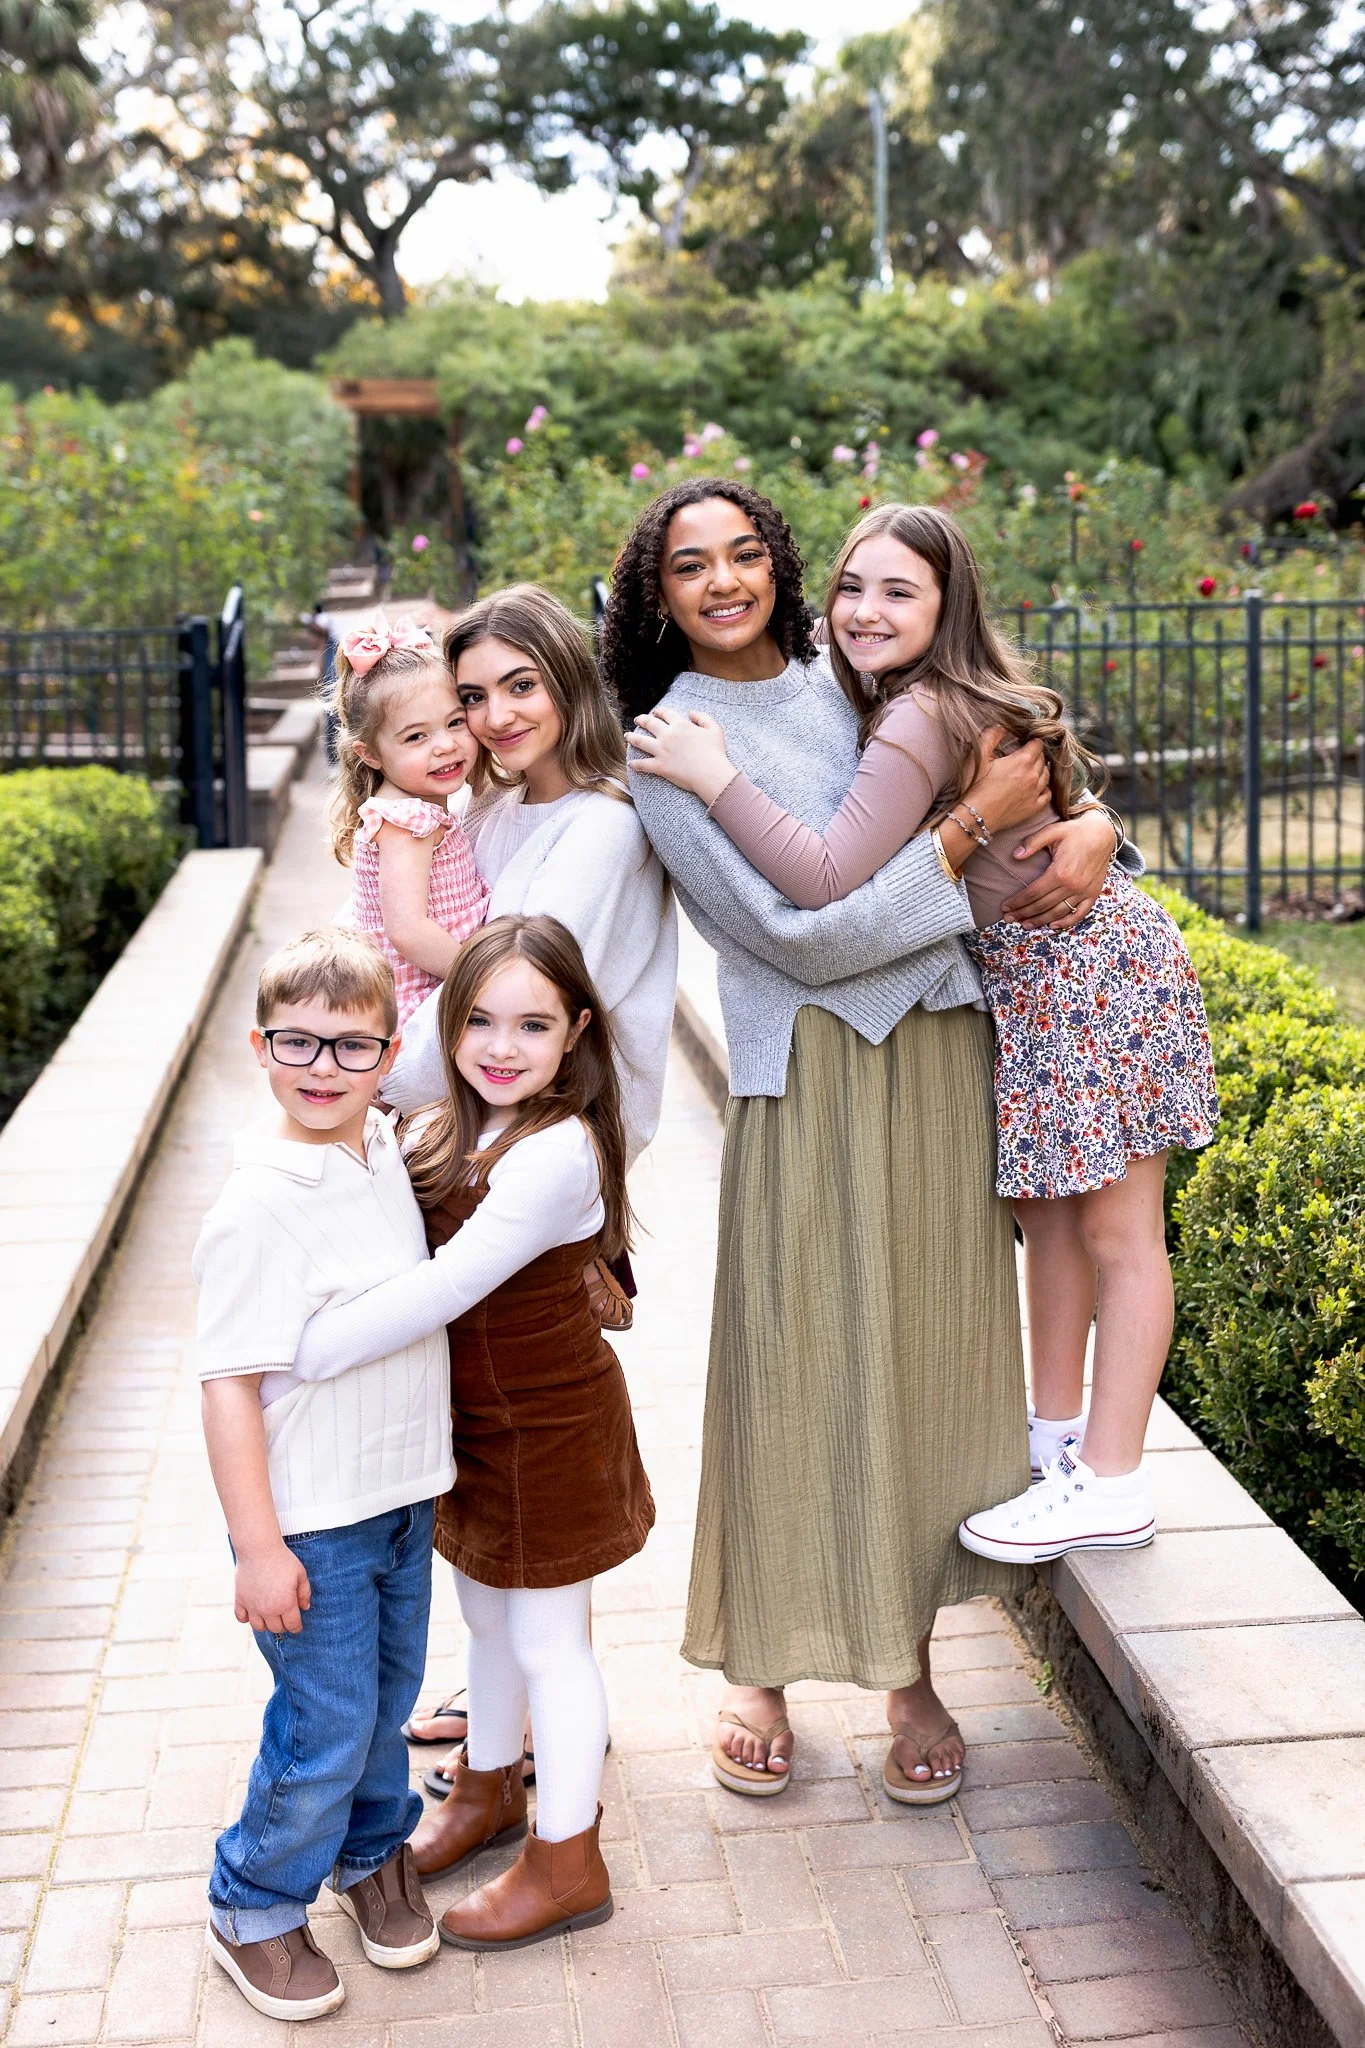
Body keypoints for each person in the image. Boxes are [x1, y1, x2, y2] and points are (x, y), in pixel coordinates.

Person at [607, 476, 1140, 1804]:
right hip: (811, 1071)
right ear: (657, 592)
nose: (722, 581)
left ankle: (905, 1666)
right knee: (793, 1362)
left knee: (916, 1364)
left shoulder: (853, 676)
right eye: (690, 565)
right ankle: (760, 1667)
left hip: (942, 1052)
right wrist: (957, 855)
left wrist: (1089, 822)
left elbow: (1011, 773)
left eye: (744, 554)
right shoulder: (672, 744)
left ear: (783, 568)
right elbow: (804, 936)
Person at [631, 502, 1218, 1565]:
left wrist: (717, 780)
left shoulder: (917, 714)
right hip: (1031, 972)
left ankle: (1116, 1476)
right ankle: (1052, 1443)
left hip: (1083, 964)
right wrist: (1083, 824)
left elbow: (819, 875)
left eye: (899, 590)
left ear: (949, 606)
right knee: (1047, 1223)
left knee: (1120, 1232)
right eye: (852, 586)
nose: (863, 610)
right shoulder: (869, 686)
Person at [287, 915, 655, 1949]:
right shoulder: (454, 1121)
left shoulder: (554, 1152)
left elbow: (444, 1286)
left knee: (550, 1642)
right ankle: (488, 1789)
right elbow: (349, 1087)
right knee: (487, 1627)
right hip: (476, 1428)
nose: (501, 1045)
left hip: (548, 1428)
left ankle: (568, 1856)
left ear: (575, 1031)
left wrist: (308, 1347)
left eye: (533, 1024)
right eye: (480, 1019)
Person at [385, 584, 677, 1765]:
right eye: (471, 695)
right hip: (490, 1140)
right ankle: (509, 1690)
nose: (496, 716)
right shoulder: (499, 815)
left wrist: (354, 1068)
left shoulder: (599, 827)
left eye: (521, 684)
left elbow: (494, 1001)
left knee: (523, 1419)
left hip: (545, 1159)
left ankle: (547, 1721)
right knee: (494, 1426)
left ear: (569, 679)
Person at [193, 928, 450, 2023]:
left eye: (351, 1046)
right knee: (327, 1719)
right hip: (314, 1525)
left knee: (388, 1699)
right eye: (296, 1041)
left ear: (389, 1056)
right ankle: (252, 1899)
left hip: (399, 1499)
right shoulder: (259, 1201)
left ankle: (370, 1850)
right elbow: (226, 1385)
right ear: (259, 1045)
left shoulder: (380, 1143)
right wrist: (260, 1546)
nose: (322, 1066)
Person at [330, 612, 489, 1026]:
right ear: (370, 754)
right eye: (417, 736)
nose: (445, 745)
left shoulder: (414, 807)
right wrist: (484, 982)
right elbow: (408, 930)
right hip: (421, 999)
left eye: (455, 723)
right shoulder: (407, 821)